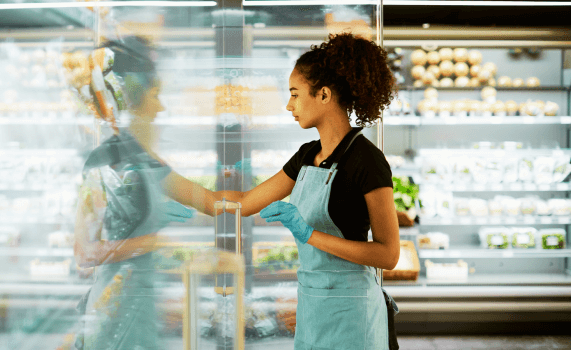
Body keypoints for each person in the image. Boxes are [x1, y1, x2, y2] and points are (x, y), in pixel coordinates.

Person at [221, 32, 400, 350]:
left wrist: (309, 234)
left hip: (353, 313)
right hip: (313, 307)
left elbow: (388, 254)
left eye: (294, 94)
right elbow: (245, 203)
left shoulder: (367, 160)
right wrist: (175, 187)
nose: (288, 104)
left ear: (324, 95)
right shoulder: (307, 155)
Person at [69, 36, 223, 350]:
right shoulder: (102, 161)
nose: (161, 106)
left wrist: (287, 185)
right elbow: (84, 252)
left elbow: (207, 201)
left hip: (141, 307)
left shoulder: (143, 159)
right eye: (156, 94)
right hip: (112, 311)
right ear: (133, 96)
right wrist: (155, 243)